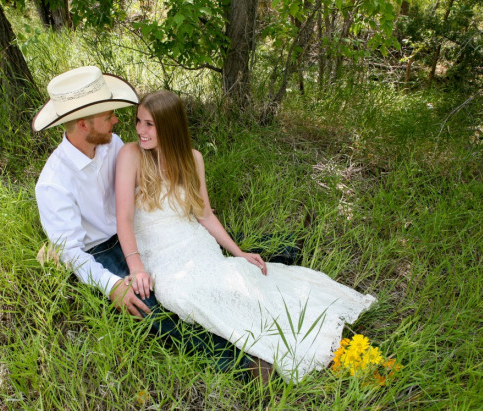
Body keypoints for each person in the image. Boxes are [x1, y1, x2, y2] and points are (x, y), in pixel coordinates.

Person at [115, 90, 376, 382]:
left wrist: (238, 253)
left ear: (170, 125)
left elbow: (203, 215)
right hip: (160, 254)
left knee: (236, 277)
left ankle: (288, 335)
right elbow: (123, 218)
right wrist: (136, 267)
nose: (140, 129)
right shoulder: (131, 155)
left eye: (149, 124)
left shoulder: (192, 159)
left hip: (193, 242)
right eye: (138, 121)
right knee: (179, 293)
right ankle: (254, 350)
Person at [32, 67, 260, 378]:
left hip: (142, 230)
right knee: (150, 308)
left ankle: (247, 301)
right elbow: (74, 252)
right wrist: (113, 286)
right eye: (109, 115)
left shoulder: (110, 143)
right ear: (84, 124)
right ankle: (240, 364)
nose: (116, 120)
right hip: (100, 249)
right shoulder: (53, 184)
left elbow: (146, 178)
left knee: (200, 265)